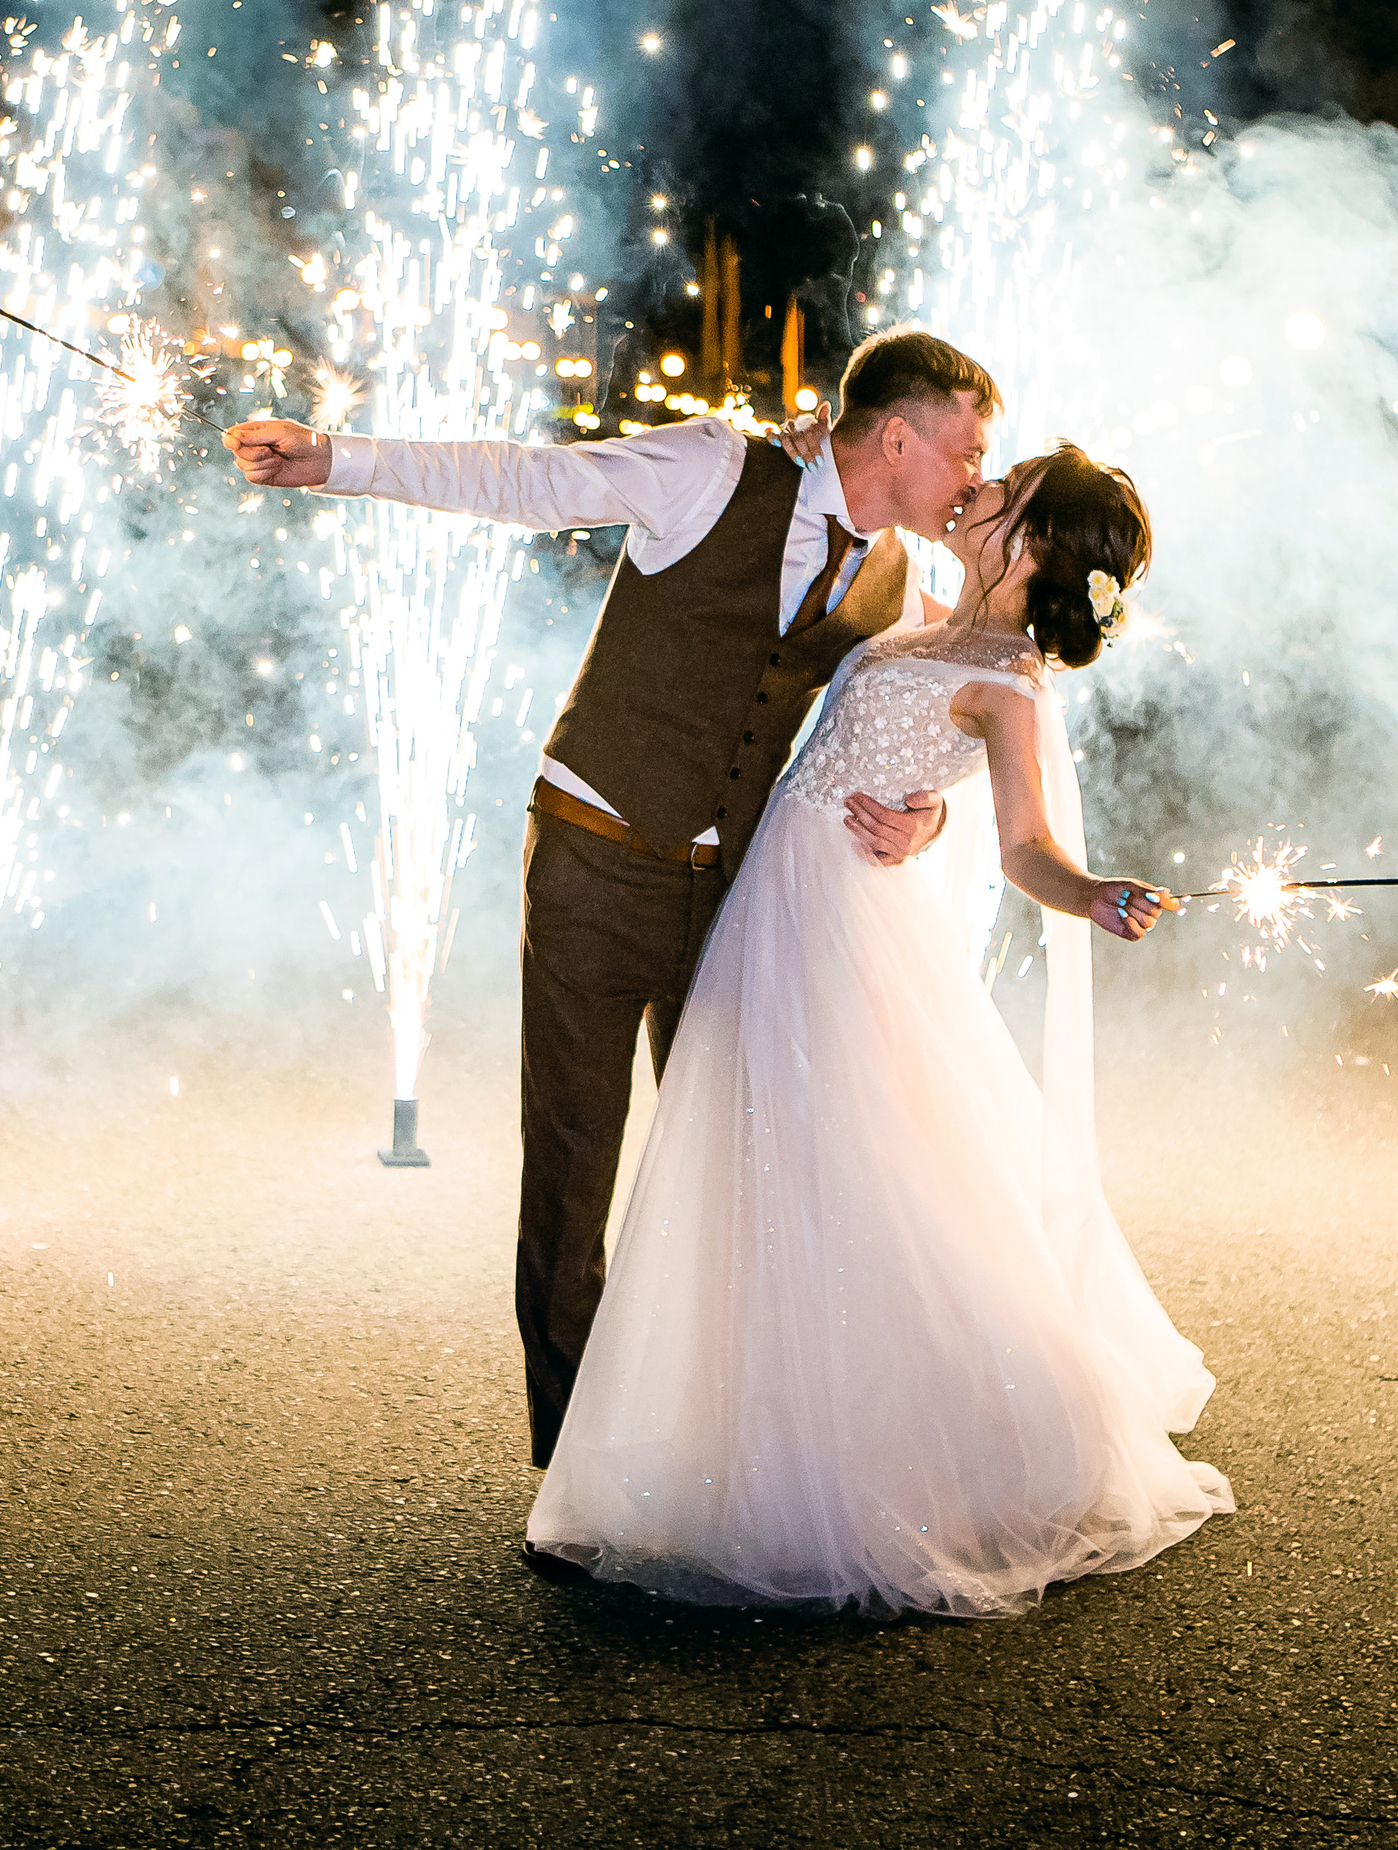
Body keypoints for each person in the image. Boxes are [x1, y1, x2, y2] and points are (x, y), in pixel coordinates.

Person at [223, 329, 999, 1490]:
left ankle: (720, 1441)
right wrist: (335, 457)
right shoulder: (711, 467)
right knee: (575, 1166)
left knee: (740, 1164)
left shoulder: (900, 585)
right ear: (898, 434)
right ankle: (574, 1469)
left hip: (738, 899)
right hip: (593, 855)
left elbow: (901, 741)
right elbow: (528, 480)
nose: (978, 480)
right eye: (969, 451)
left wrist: (929, 823)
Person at [526, 443, 1234, 1618]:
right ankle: (741, 1426)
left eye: (1003, 493)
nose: (979, 490)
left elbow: (1023, 844)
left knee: (844, 1177)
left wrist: (1091, 892)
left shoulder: (1008, 679)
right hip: (776, 897)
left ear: (1035, 548)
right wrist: (924, 818)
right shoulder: (912, 601)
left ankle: (866, 1455)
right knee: (768, 1170)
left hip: (838, 929)